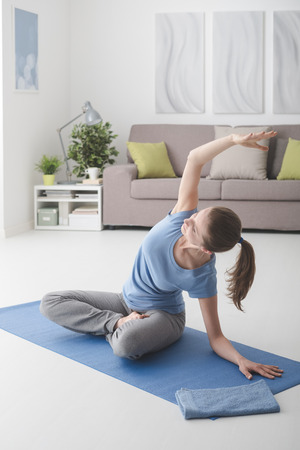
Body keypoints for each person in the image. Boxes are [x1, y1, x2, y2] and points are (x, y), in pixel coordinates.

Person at [40, 130, 283, 381]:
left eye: (195, 227)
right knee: (51, 302)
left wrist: (242, 360)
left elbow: (216, 337)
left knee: (126, 346)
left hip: (164, 318)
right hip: (124, 301)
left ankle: (121, 328)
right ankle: (117, 324)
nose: (189, 219)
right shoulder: (181, 215)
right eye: (198, 214)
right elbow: (195, 159)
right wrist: (232, 140)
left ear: (206, 249)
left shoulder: (202, 276)